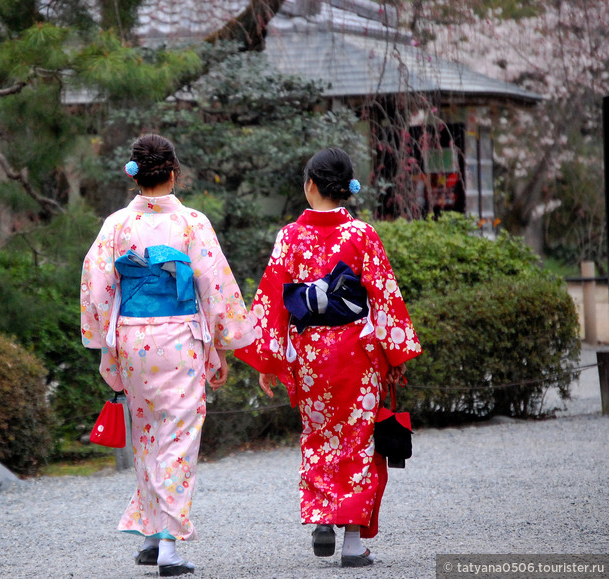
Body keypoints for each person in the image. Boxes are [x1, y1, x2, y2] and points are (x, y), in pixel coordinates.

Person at [234, 148, 421, 568]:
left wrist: (269, 360)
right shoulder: (362, 235)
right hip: (357, 350)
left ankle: (322, 517)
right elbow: (385, 297)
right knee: (357, 440)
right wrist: (396, 353)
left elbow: (272, 299)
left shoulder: (289, 236)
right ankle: (353, 543)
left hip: (310, 353)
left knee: (319, 435)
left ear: (310, 185)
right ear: (346, 188)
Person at [80, 134, 256, 576]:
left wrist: (105, 344)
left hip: (132, 339)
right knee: (177, 438)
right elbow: (215, 287)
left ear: (134, 175)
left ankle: (150, 532)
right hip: (179, 338)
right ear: (173, 174)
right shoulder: (192, 223)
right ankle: (169, 547)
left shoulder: (116, 226)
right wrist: (223, 343)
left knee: (147, 435)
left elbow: (97, 287)